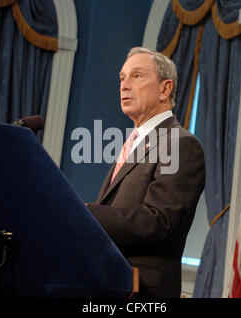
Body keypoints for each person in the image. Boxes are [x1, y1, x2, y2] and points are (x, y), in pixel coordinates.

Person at [86, 47, 205, 298]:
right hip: (110, 281)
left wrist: (86, 214)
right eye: (122, 77)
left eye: (137, 76)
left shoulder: (180, 144)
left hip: (144, 291)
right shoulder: (134, 142)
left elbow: (158, 222)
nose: (124, 85)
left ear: (165, 89)